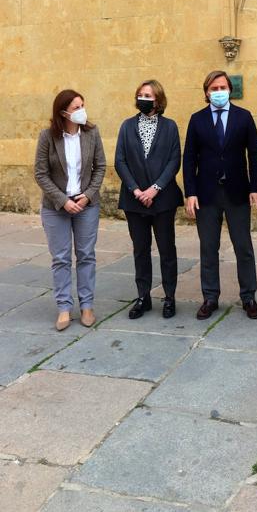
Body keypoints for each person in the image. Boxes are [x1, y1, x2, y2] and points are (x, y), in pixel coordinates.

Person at [183, 70, 257, 320]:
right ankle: (210, 297)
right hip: (206, 194)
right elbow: (189, 158)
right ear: (206, 93)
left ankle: (248, 297)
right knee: (208, 247)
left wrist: (256, 187)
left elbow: (255, 154)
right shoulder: (197, 120)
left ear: (230, 90)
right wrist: (190, 193)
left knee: (243, 246)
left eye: (223, 88)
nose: (219, 92)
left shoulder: (244, 117)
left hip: (237, 192)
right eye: (214, 89)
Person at [34, 89, 106, 331]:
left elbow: (100, 167)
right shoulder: (47, 136)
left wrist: (88, 196)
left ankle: (87, 306)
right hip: (56, 206)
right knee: (61, 258)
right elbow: (40, 173)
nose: (81, 111)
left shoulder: (92, 133)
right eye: (76, 107)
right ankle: (64, 307)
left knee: (86, 255)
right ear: (63, 112)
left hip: (86, 204)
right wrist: (63, 200)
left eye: (82, 105)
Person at [115, 79, 183, 320]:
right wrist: (136, 190)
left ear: (158, 100)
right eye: (141, 94)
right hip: (134, 200)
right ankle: (143, 296)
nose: (143, 98)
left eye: (149, 95)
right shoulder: (127, 126)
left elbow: (174, 160)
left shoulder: (170, 127)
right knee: (140, 250)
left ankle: (169, 296)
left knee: (167, 250)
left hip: (163, 200)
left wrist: (155, 189)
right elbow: (120, 161)